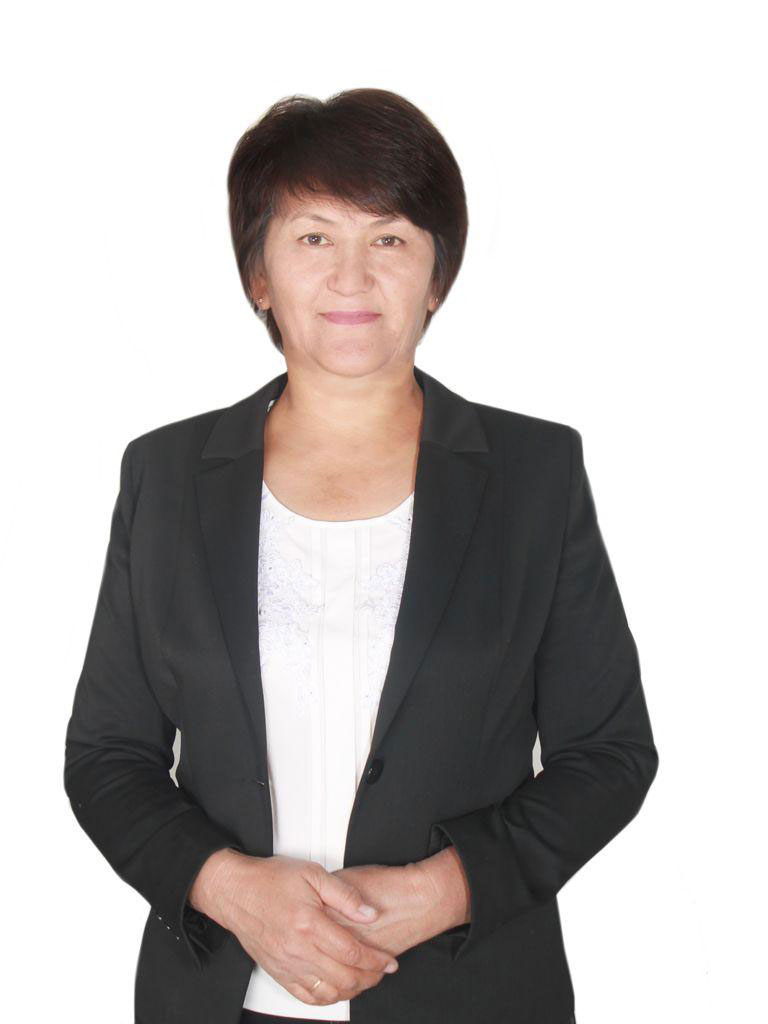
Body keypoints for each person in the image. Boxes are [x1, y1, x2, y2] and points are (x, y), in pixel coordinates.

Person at [63, 88, 659, 1024]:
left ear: (436, 276)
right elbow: (107, 755)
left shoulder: (534, 473)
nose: (352, 276)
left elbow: (609, 754)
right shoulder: (166, 475)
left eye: (389, 239)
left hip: (470, 996)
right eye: (313, 237)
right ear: (259, 275)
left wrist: (444, 891)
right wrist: (229, 889)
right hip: (215, 997)